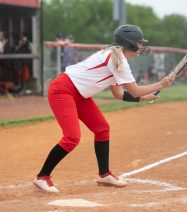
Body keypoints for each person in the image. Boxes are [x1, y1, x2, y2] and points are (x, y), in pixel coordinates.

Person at [33, 24, 175, 193]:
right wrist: (161, 84)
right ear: (129, 43)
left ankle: (104, 174)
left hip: (80, 95)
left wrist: (143, 98)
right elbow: (135, 90)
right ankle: (42, 176)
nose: (141, 46)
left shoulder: (115, 57)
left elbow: (119, 94)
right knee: (72, 137)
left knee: (102, 129)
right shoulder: (117, 59)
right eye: (138, 42)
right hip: (63, 90)